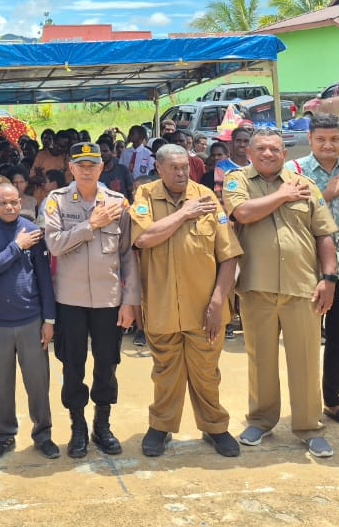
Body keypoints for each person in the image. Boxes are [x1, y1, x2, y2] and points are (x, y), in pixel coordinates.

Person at [225, 128, 338, 458]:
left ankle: (308, 427)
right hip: (256, 287)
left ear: (284, 153)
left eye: (275, 149)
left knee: (305, 360)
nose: (268, 154)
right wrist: (282, 196)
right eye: (260, 148)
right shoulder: (238, 182)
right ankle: (261, 421)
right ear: (249, 152)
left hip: (302, 286)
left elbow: (324, 234)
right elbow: (242, 213)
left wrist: (328, 278)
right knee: (260, 359)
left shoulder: (306, 186)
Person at [130, 145, 242, 457]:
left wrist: (219, 301)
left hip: (204, 307)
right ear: (159, 167)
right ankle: (161, 427)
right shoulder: (146, 197)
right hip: (162, 304)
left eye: (185, 167)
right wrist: (183, 214)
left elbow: (229, 255)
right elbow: (143, 238)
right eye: (174, 168)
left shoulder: (206, 197)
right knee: (165, 372)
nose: (181, 173)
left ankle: (215, 427)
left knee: (207, 372)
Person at [43, 142, 141, 458]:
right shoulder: (56, 202)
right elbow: (54, 245)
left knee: (107, 363)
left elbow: (128, 255)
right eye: (81, 164)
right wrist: (91, 225)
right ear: (70, 167)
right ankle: (78, 428)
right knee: (72, 365)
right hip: (69, 301)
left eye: (93, 164)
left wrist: (130, 301)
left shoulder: (117, 203)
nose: (86, 169)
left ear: (101, 168)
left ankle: (102, 425)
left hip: (108, 300)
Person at [288, 113, 339, 432]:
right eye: (320, 139)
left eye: (334, 139)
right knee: (304, 341)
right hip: (306, 271)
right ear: (310, 139)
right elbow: (288, 216)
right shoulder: (293, 173)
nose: (328, 145)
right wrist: (327, 194)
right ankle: (304, 405)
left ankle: (332, 402)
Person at [0, 182, 60, 461]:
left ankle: (43, 433)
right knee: (0, 383)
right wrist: (16, 246)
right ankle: (4, 435)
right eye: (3, 203)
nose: (10, 207)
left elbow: (44, 278)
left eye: (14, 202)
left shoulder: (33, 231)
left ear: (21, 202)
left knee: (38, 381)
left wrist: (49, 319)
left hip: (31, 320)